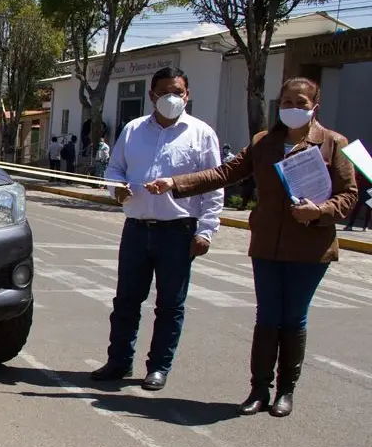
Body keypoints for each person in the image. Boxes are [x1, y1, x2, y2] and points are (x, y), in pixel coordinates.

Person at [146, 77, 358, 417]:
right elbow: (225, 173)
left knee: (292, 318)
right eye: (286, 102)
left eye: (300, 103)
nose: (292, 108)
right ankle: (259, 389)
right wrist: (175, 182)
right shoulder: (264, 142)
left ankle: (285, 391)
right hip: (266, 246)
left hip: (309, 248)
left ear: (314, 107)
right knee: (267, 317)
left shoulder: (333, 143)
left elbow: (349, 195)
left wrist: (319, 211)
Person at [90, 66, 223, 391]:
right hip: (136, 229)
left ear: (187, 95)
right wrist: (115, 188)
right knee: (126, 301)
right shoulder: (134, 130)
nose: (172, 98)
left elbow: (214, 185)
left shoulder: (201, 134)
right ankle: (119, 361)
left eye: (178, 92)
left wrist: (206, 231)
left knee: (170, 305)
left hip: (177, 232)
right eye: (165, 92)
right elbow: (115, 169)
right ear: (152, 96)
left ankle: (159, 367)